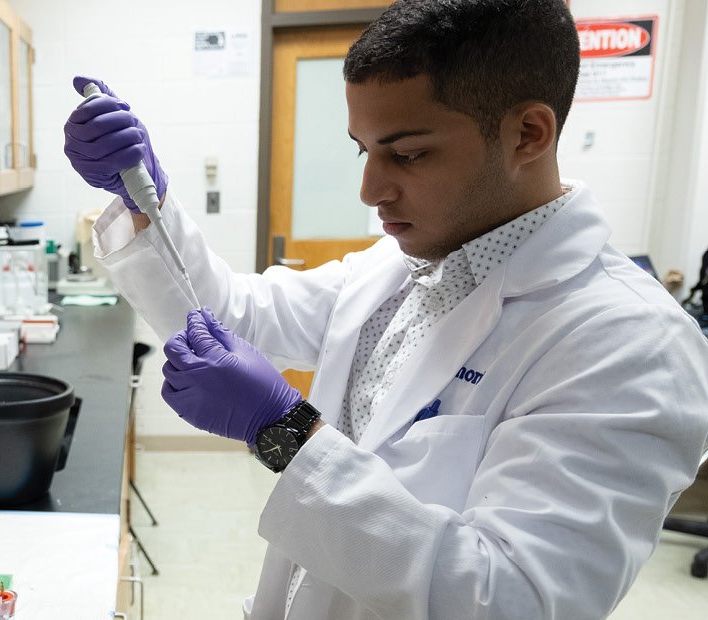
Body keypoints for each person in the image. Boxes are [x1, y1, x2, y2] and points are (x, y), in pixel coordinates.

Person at [63, 1, 708, 618]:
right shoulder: (399, 266)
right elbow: (233, 315)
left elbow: (510, 598)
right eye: (363, 149)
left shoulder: (631, 342)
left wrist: (287, 433)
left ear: (528, 134)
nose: (371, 189)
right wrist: (146, 198)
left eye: (408, 153)